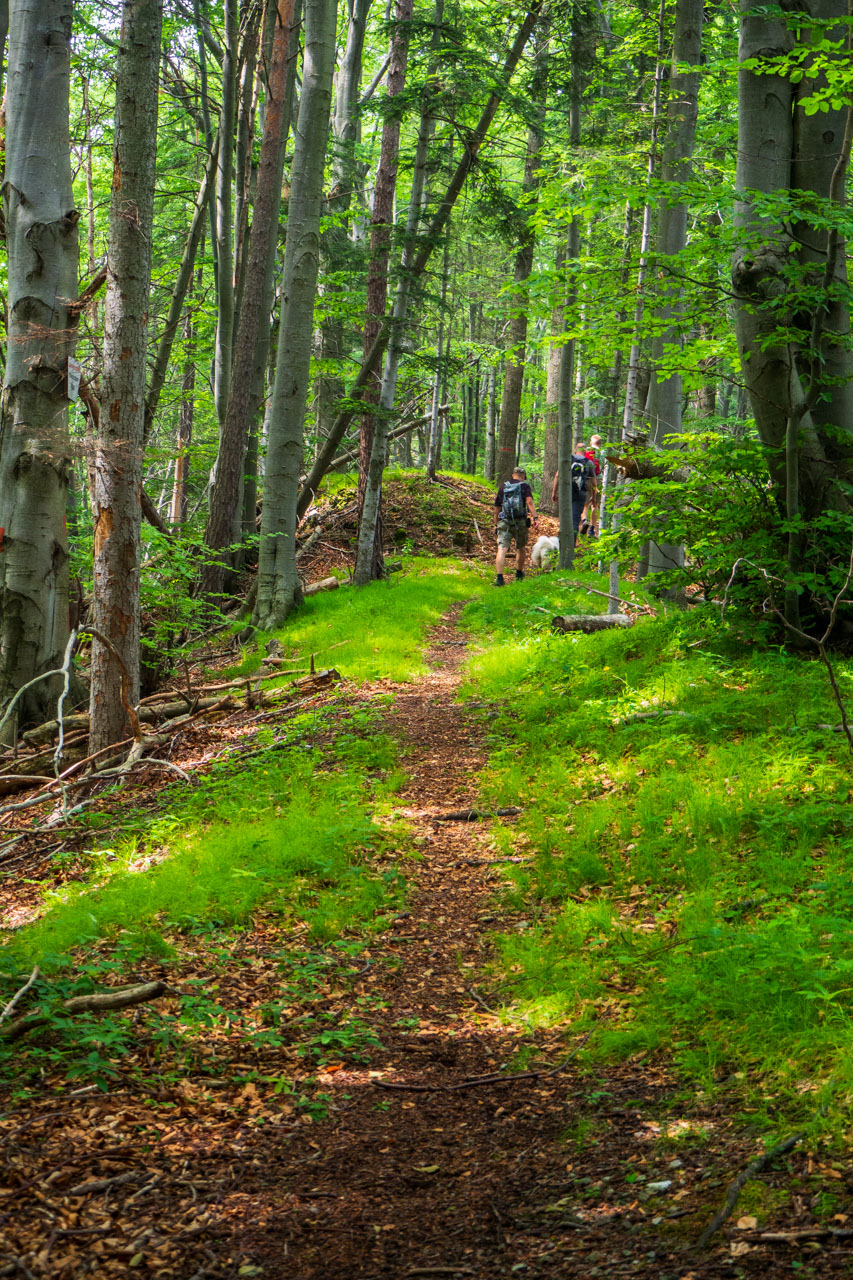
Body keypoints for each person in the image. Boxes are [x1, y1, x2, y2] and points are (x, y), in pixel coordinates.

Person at [493, 466, 538, 585]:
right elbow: (529, 502)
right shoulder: (525, 486)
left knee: (502, 548)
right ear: (523, 476)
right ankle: (518, 573)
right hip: (520, 522)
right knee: (520, 548)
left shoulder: (503, 486)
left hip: (504, 521)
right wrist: (535, 517)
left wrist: (495, 523)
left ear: (513, 475)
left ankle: (499, 578)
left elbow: (497, 507)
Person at [551, 441, 596, 538]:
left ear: (575, 450)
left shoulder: (568, 460)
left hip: (566, 492)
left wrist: (554, 492)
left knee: (564, 518)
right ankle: (572, 545)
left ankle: (562, 543)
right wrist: (594, 497)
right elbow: (594, 482)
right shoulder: (589, 463)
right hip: (581, 493)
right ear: (585, 451)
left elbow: (557, 476)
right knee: (575, 520)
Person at [581, 433, 603, 536]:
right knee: (595, 504)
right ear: (600, 443)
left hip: (586, 479)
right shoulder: (602, 453)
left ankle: (584, 521)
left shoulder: (586, 452)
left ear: (591, 442)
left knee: (585, 504)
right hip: (598, 479)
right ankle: (592, 530)